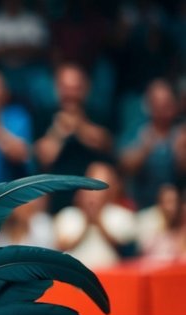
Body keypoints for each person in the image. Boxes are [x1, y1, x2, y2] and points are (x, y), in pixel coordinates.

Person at [35, 63, 114, 211]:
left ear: (86, 89)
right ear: (57, 88)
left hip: (93, 198)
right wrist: (58, 131)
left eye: (75, 88)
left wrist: (78, 125)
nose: (70, 94)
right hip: (55, 197)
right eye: (65, 87)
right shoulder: (44, 117)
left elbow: (104, 143)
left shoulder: (98, 115)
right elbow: (44, 157)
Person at [52, 161, 136, 269]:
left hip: (113, 278)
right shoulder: (67, 215)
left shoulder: (122, 215)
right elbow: (60, 250)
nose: (93, 193)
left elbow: (127, 254)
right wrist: (86, 222)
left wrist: (98, 221)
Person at [119, 79, 184, 210]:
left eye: (166, 104)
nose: (161, 109)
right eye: (156, 104)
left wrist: (180, 151)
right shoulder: (137, 129)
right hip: (142, 206)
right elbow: (124, 166)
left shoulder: (182, 133)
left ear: (175, 105)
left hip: (178, 208)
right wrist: (144, 148)